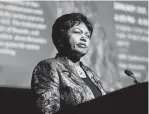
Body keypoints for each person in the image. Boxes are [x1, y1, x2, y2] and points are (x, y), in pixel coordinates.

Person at [31, 13, 106, 114]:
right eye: (77, 32)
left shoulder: (91, 73)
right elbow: (48, 110)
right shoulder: (48, 67)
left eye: (87, 35)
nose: (84, 38)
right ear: (61, 38)